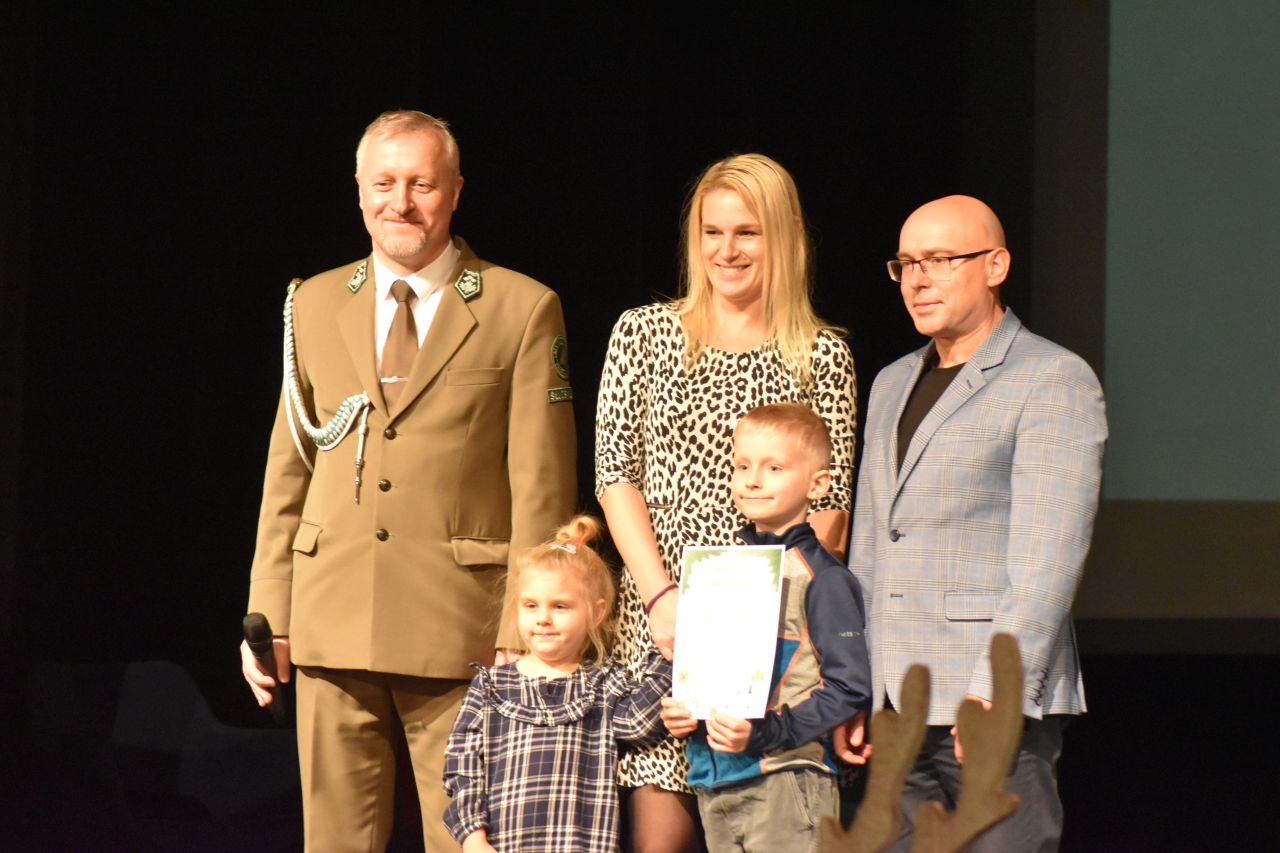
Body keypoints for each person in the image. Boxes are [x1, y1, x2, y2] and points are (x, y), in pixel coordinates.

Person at [238, 109, 577, 851]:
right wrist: (269, 615)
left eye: (421, 184)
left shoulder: (521, 307)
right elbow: (289, 468)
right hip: (330, 617)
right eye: (384, 183)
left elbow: (542, 487)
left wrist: (526, 626)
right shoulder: (314, 301)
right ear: (358, 190)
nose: (401, 202)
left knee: (471, 839)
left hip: (460, 628)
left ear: (454, 191)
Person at [596, 153, 857, 852]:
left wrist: (771, 636)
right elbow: (615, 475)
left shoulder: (821, 354)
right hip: (664, 627)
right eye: (712, 232)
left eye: (747, 232)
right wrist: (662, 600)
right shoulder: (643, 333)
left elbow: (831, 507)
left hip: (773, 647)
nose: (727, 250)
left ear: (786, 235)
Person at [844, 195, 1107, 851]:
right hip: (896, 705)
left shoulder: (1051, 378)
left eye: (938, 259)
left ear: (996, 266)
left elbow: (1048, 559)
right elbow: (871, 547)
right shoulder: (891, 382)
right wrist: (857, 686)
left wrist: (998, 690)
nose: (917, 279)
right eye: (905, 264)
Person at [660, 403, 870, 852]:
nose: (752, 480)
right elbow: (714, 672)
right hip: (716, 780)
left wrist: (767, 732)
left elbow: (849, 686)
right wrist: (688, 713)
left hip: (786, 777)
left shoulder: (822, 578)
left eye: (773, 468)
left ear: (817, 484)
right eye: (742, 466)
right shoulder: (721, 569)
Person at [443, 515, 673, 852]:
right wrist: (473, 837)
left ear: (597, 613)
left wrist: (671, 651)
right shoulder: (491, 685)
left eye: (560, 606)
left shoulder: (603, 682)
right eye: (530, 605)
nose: (543, 619)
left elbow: (638, 722)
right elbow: (461, 766)